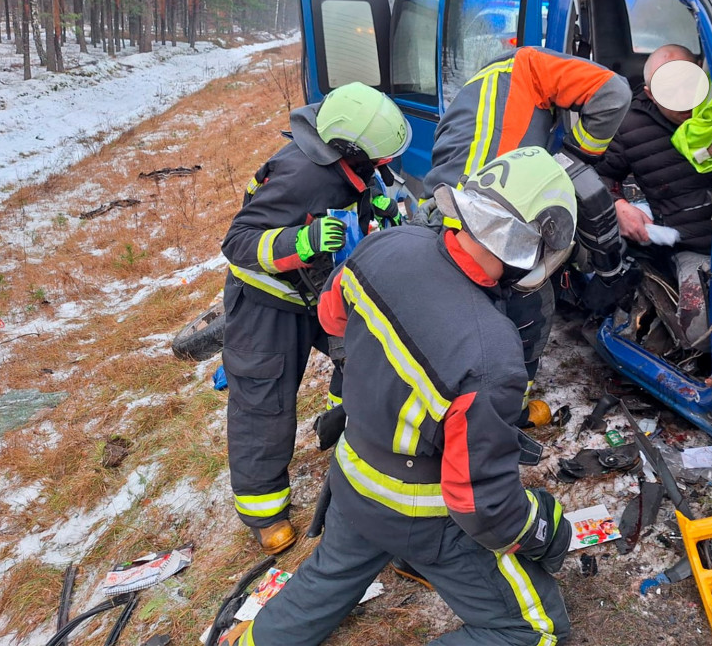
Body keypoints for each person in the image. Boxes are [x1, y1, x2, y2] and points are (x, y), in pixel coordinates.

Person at [221, 147, 575, 646]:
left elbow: (331, 319)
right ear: (533, 245)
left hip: (354, 477)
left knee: (328, 579)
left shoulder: (387, 245)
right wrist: (544, 528)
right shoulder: (491, 353)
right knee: (534, 631)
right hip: (422, 514)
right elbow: (479, 504)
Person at [220, 82, 411, 555]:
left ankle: (342, 426)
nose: (384, 167)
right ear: (349, 148)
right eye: (379, 162)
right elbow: (238, 242)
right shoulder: (299, 173)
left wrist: (377, 203)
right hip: (269, 300)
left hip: (321, 290)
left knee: (369, 356)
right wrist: (296, 244)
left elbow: (356, 192)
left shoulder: (351, 163)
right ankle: (264, 510)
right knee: (264, 401)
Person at [422, 45, 634, 384]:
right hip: (483, 224)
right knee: (528, 307)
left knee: (448, 325)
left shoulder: (473, 92)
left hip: (438, 216)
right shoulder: (530, 66)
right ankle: (508, 406)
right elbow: (614, 92)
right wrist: (572, 159)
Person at [596, 44, 712, 347]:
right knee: (701, 335)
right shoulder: (630, 125)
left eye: (688, 85)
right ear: (651, 93)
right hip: (695, 246)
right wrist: (619, 206)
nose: (684, 101)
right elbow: (596, 173)